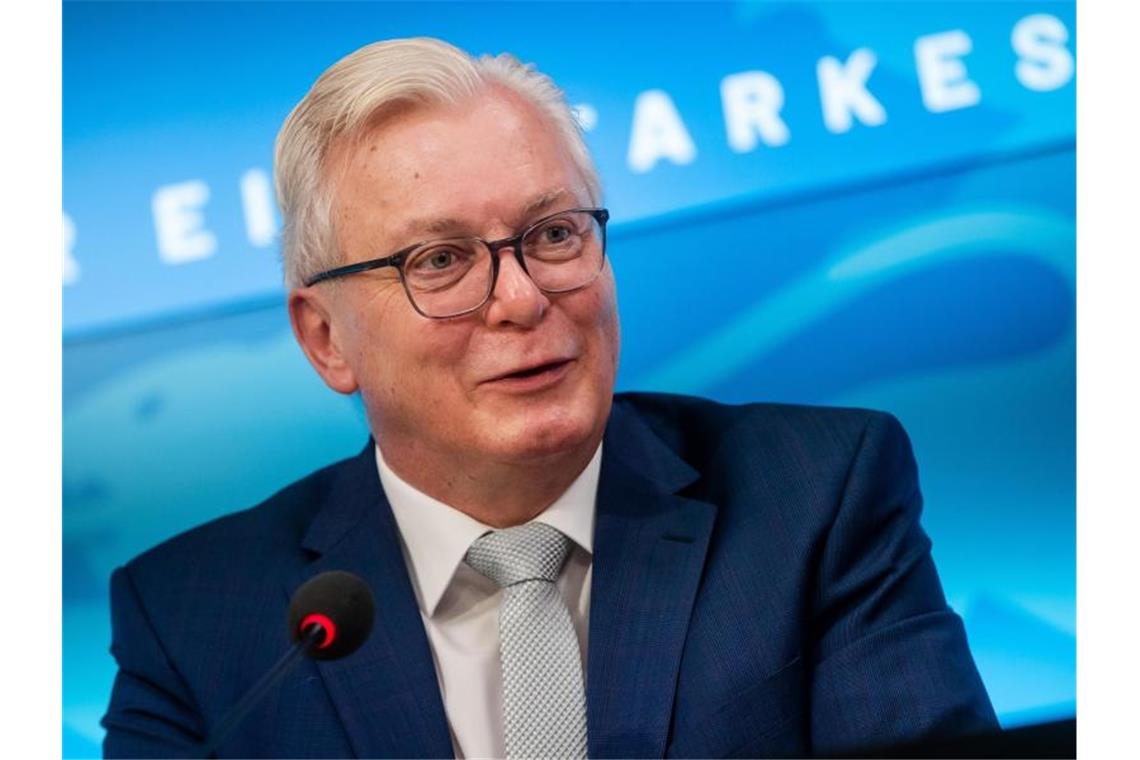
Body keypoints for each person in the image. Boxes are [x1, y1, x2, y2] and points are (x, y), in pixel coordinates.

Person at [101, 37, 998, 758]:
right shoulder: (196, 622)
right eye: (440, 261)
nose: (524, 298)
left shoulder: (814, 498)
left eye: (554, 233)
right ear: (326, 340)